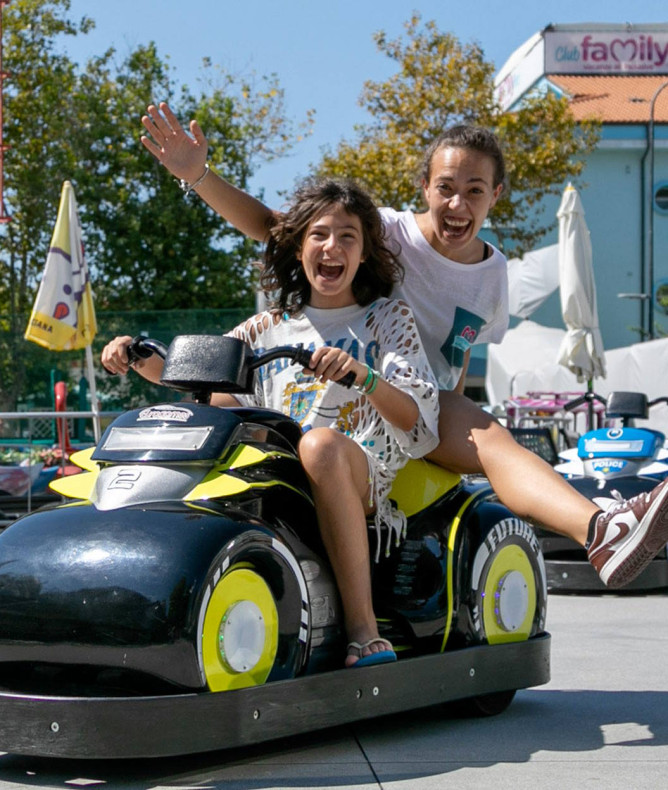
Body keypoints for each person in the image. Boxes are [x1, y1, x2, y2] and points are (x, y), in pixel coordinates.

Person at [136, 101, 668, 591]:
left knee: (493, 441)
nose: (458, 204)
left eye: (475, 190)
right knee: (222, 399)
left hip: (416, 406)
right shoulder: (383, 231)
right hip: (360, 400)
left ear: (495, 196)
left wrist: (445, 442)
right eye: (446, 187)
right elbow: (277, 229)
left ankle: (601, 530)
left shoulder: (493, 273)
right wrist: (197, 175)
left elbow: (457, 362)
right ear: (424, 186)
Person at [101, 177, 440, 669]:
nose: (333, 247)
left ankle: (362, 629)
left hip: (356, 466)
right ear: (300, 246)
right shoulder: (267, 327)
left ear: (364, 253)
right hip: (277, 468)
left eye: (348, 236)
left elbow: (417, 415)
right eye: (320, 234)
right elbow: (202, 381)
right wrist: (133, 355)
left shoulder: (385, 319)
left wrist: (364, 377)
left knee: (321, 445)